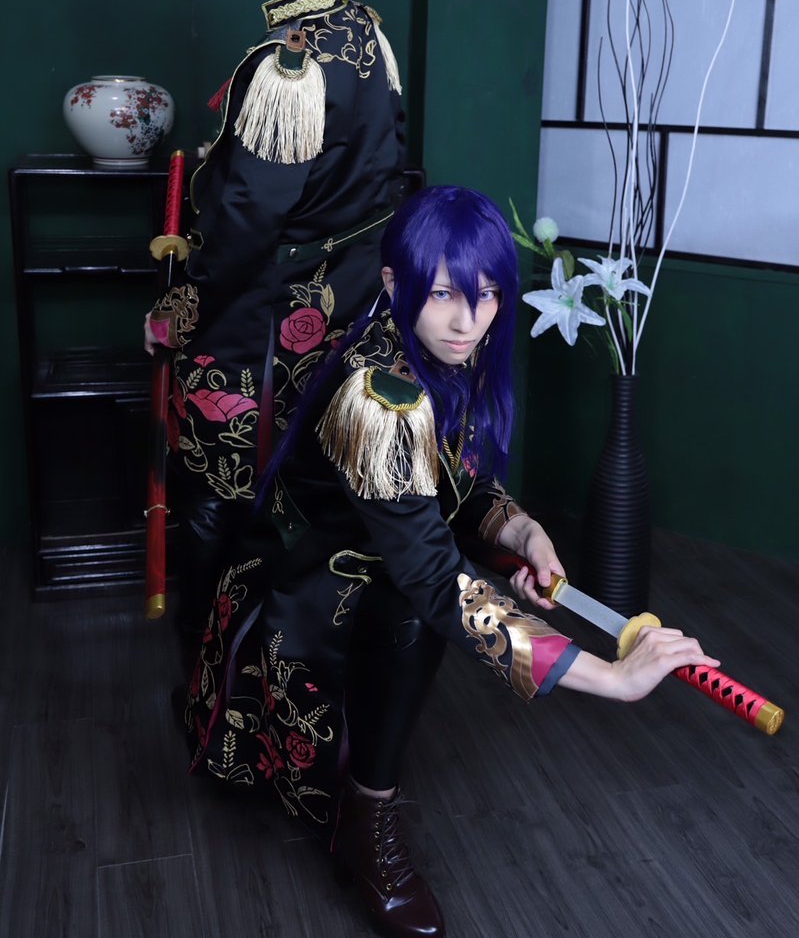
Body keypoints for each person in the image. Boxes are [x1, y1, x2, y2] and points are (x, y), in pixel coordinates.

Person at [183, 185, 718, 938]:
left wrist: (519, 530)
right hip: (301, 590)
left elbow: (455, 480)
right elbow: (435, 578)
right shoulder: (380, 398)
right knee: (415, 608)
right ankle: (366, 821)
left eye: (488, 293)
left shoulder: (439, 347)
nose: (469, 321)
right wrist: (611, 678)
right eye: (443, 294)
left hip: (383, 558)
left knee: (418, 591)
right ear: (395, 282)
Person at [143, 0, 405, 665]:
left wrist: (178, 315)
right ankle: (268, 662)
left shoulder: (287, 66)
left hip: (256, 331)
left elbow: (242, 230)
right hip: (341, 321)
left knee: (215, 499)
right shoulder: (366, 35)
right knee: (299, 507)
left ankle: (204, 669)